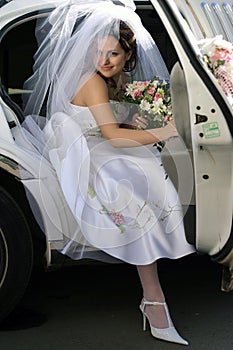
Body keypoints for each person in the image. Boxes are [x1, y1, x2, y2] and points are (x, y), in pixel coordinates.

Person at [18, 0, 195, 345]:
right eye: (99, 52)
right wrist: (166, 131)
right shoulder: (94, 81)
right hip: (83, 148)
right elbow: (112, 135)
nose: (104, 60)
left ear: (128, 55)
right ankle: (153, 299)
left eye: (113, 53)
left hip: (98, 139)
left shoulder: (118, 79)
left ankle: (154, 290)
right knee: (130, 189)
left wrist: (135, 118)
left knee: (147, 167)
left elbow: (112, 122)